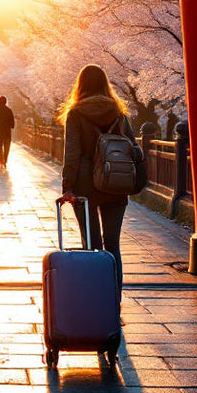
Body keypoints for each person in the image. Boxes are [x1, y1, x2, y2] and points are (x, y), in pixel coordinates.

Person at [56, 64, 140, 301]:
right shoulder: (118, 111)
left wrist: (67, 187)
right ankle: (114, 299)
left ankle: (96, 299)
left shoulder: (76, 113)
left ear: (80, 85)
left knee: (91, 244)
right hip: (115, 182)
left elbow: (71, 153)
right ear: (105, 84)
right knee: (113, 244)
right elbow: (133, 148)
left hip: (85, 187)